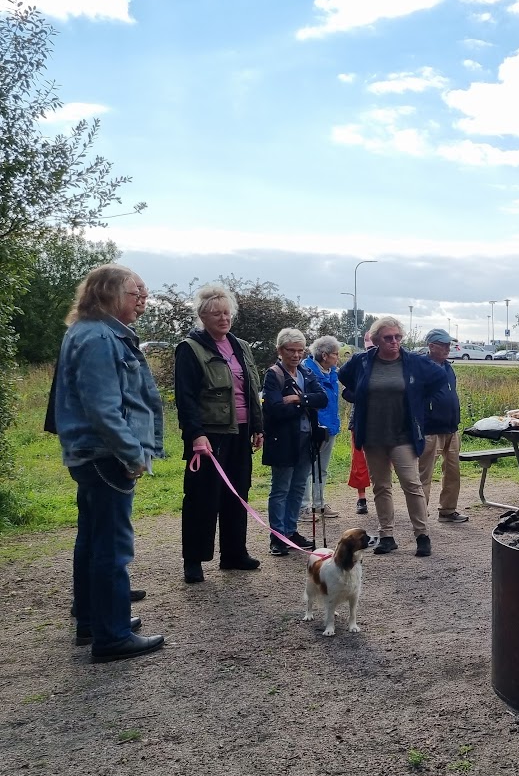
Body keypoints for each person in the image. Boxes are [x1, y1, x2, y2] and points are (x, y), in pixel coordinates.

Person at [54, 265, 166, 662]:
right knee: (112, 547)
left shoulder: (83, 331)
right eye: (136, 292)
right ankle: (112, 635)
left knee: (92, 539)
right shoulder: (101, 337)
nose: (143, 300)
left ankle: (93, 620)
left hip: (89, 455)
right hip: (106, 457)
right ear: (108, 294)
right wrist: (133, 454)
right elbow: (103, 408)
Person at [174, 283, 265, 583]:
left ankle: (234, 553)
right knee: (202, 497)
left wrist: (258, 427)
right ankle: (194, 560)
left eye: (227, 313)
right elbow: (185, 397)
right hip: (209, 436)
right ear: (202, 316)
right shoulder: (190, 349)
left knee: (238, 493)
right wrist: (195, 434)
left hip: (240, 432)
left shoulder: (241, 346)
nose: (223, 319)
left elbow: (251, 389)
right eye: (216, 314)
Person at [339, 317, 447, 557]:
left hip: (403, 435)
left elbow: (439, 378)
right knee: (381, 486)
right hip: (373, 436)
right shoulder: (362, 361)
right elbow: (344, 377)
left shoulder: (414, 362)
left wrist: (417, 399)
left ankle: (422, 535)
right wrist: (358, 394)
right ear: (377, 340)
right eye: (388, 338)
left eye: (398, 337)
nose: (394, 342)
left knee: (412, 484)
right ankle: (387, 535)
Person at [261, 329, 327, 554]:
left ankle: (291, 531)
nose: (297, 355)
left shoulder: (306, 373)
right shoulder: (273, 375)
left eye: (301, 350)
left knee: (298, 487)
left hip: (307, 440)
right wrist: (306, 404)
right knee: (281, 488)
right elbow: (276, 409)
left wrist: (299, 399)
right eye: (291, 350)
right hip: (283, 441)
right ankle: (278, 536)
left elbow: (323, 399)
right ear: (280, 350)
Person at [417, 328, 469, 524]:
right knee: (424, 475)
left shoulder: (447, 366)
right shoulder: (422, 367)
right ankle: (420, 516)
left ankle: (447, 510)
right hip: (430, 429)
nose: (449, 348)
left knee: (453, 472)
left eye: (449, 344)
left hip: (451, 428)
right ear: (431, 346)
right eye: (444, 344)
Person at [299, 335, 343, 520]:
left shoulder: (332, 372)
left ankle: (318, 503)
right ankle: (304, 507)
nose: (337, 358)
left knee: (322, 468)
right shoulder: (306, 372)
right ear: (324, 355)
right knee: (308, 467)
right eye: (335, 354)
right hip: (313, 427)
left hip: (329, 426)